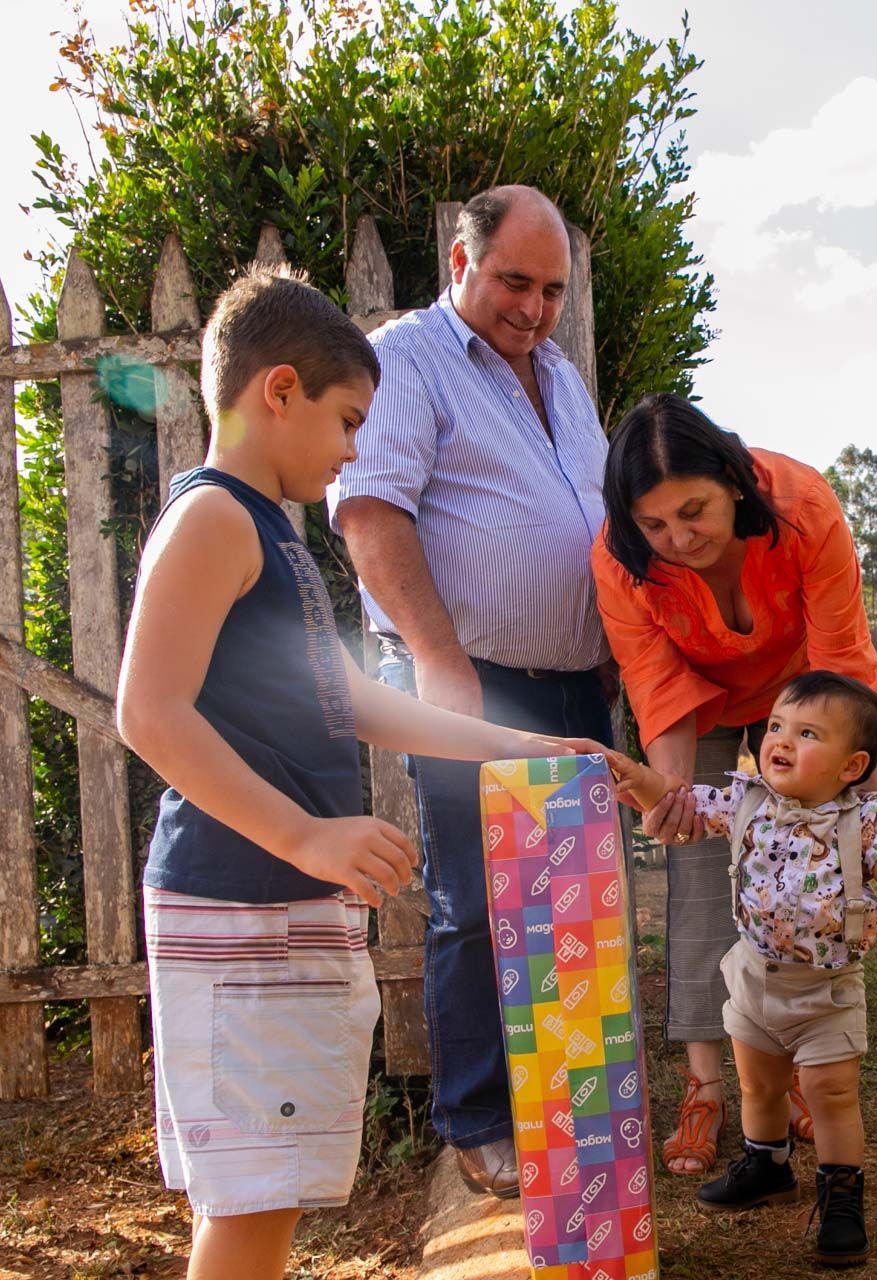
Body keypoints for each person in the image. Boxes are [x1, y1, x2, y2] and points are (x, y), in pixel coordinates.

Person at [118, 268, 597, 1278]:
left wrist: (527, 747)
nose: (351, 452)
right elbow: (147, 711)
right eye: (346, 422)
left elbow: (355, 700)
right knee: (252, 1200)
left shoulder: (272, 534)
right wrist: (305, 832)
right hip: (240, 902)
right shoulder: (212, 519)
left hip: (284, 905)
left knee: (276, 1189)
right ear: (277, 389)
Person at [328, 185, 616, 1195]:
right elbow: (368, 510)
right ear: (461, 264)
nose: (533, 308)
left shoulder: (564, 381)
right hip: (468, 678)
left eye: (550, 289)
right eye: (513, 282)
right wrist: (441, 661)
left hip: (577, 681)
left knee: (571, 900)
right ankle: (479, 1116)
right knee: (474, 904)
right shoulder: (406, 358)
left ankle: (571, 1103)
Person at [591, 392, 877, 1176]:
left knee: (821, 865)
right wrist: (674, 800)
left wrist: (870, 819)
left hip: (804, 697)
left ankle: (794, 1067)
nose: (679, 540)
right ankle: (705, 1084)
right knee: (696, 875)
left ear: (732, 478)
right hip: (701, 706)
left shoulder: (803, 508)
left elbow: (843, 674)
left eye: (694, 512)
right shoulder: (621, 562)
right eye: (655, 526)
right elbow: (657, 687)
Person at [602, 671, 877, 1268]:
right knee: (759, 1086)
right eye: (775, 726)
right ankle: (765, 1166)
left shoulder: (864, 820)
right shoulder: (746, 800)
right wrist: (640, 778)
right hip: (752, 979)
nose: (781, 741)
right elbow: (675, 800)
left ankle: (842, 1196)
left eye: (808, 732)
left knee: (830, 1093)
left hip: (828, 990)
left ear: (851, 766)